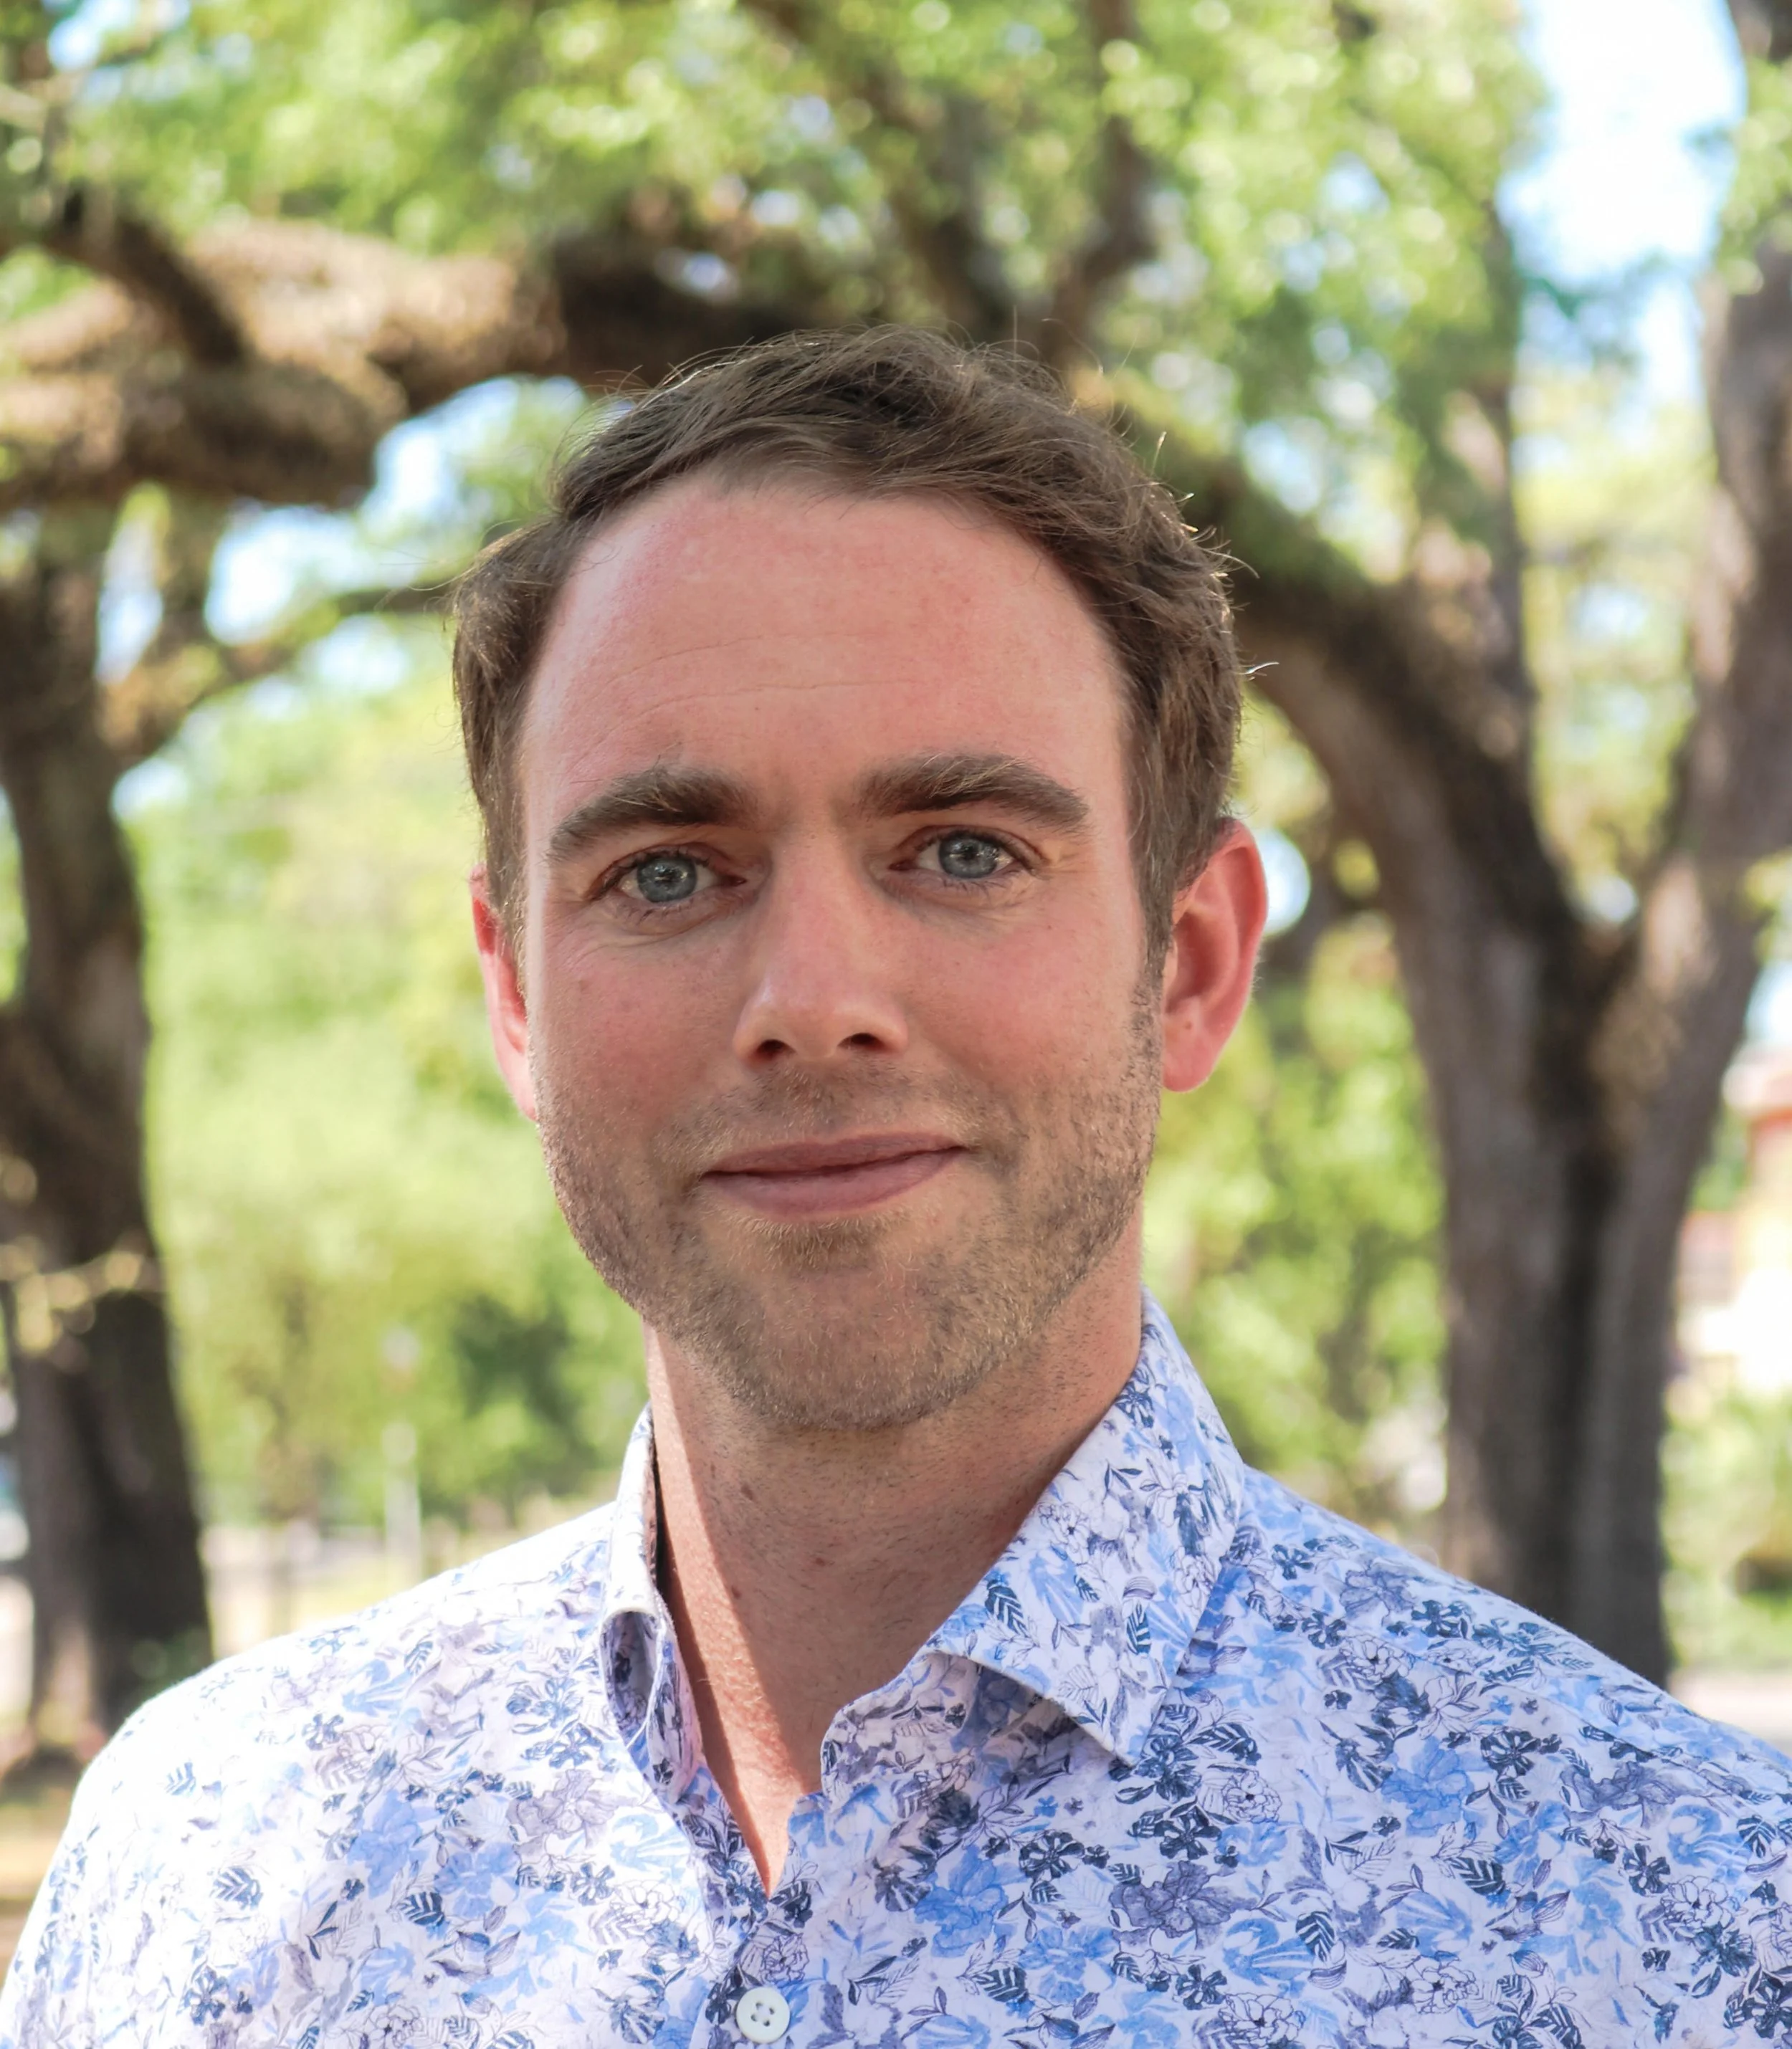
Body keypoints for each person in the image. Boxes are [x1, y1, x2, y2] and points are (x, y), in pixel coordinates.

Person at [4, 328, 1788, 2049]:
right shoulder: (217, 1868)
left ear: (1187, 964)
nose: (812, 1003)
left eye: (960, 850)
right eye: (666, 872)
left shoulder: (1670, 1927)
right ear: (515, 993)